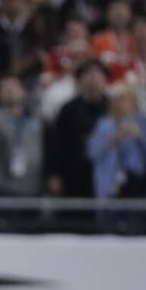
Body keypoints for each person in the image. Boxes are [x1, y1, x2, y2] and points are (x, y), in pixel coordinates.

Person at [86, 82, 146, 233]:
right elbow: (92, 152)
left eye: (124, 99)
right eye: (116, 99)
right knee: (108, 231)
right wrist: (115, 138)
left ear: (133, 101)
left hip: (138, 187)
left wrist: (140, 137)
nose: (120, 104)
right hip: (111, 188)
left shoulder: (145, 122)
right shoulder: (104, 124)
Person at [49, 60, 108, 199]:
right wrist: (55, 174)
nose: (93, 78)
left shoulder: (113, 107)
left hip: (107, 173)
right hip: (74, 174)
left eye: (98, 74)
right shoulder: (68, 109)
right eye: (88, 74)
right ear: (79, 80)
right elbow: (57, 143)